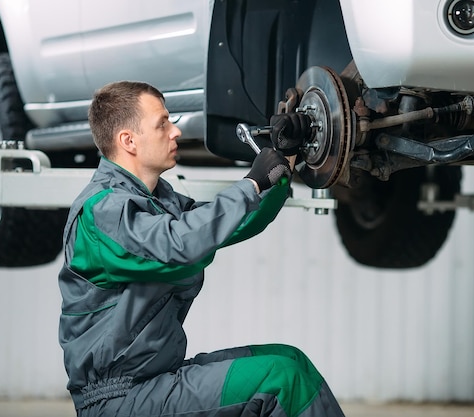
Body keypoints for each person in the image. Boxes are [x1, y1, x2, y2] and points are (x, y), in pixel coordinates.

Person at [58, 80, 345, 417]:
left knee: (290, 359)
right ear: (128, 141)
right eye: (162, 123)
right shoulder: (103, 212)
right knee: (283, 380)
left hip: (152, 381)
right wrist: (252, 183)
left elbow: (226, 224)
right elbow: (178, 243)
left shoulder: (158, 201)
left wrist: (284, 161)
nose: (175, 131)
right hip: (118, 399)